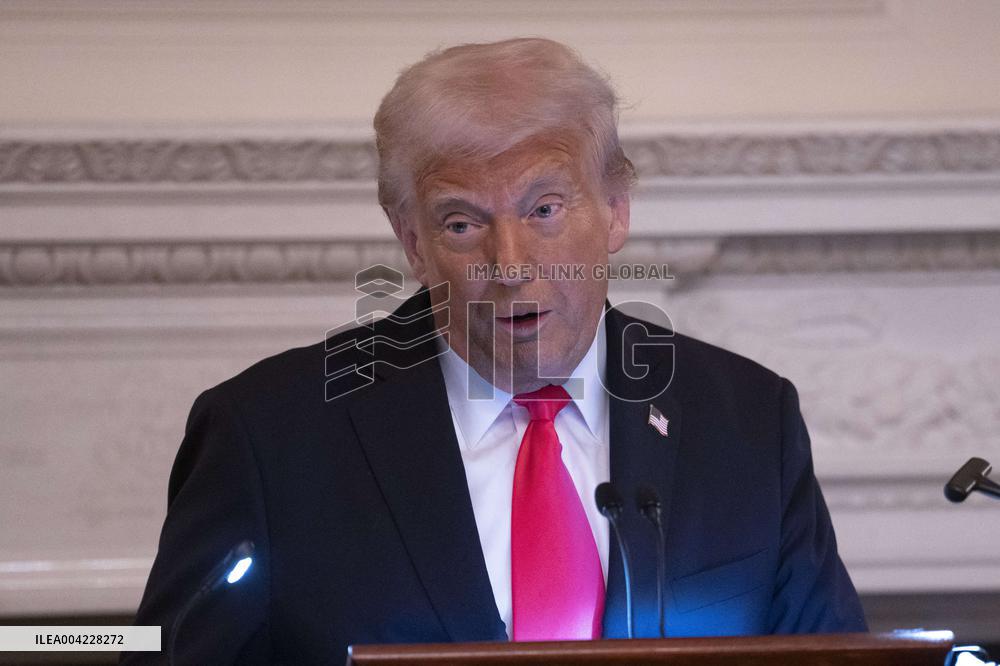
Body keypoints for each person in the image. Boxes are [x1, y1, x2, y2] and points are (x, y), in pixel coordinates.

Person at [122, 38, 866, 665]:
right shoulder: (268, 437)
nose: (510, 263)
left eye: (544, 209)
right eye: (461, 224)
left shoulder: (747, 422)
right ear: (411, 241)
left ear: (615, 210)